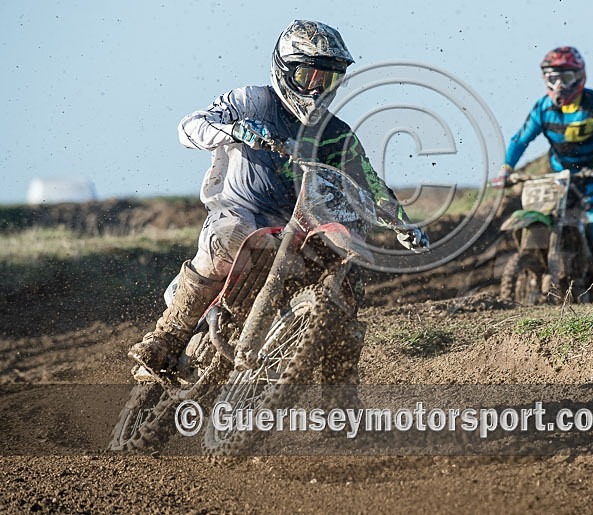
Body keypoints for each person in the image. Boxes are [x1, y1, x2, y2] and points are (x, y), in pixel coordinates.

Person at [129, 20, 429, 375]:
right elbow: (189, 126)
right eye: (309, 77)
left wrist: (400, 220)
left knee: (347, 285)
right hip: (244, 211)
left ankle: (338, 395)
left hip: (303, 223)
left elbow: (369, 182)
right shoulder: (252, 101)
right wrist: (234, 128)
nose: (318, 89)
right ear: (285, 70)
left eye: (328, 79)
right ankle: (166, 337)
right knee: (228, 239)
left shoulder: (336, 133)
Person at [494, 46, 593, 282]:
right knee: (540, 218)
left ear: (579, 77)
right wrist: (506, 168)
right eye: (553, 78)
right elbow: (520, 139)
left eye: (565, 77)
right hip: (560, 179)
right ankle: (542, 266)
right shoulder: (543, 109)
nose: (559, 85)